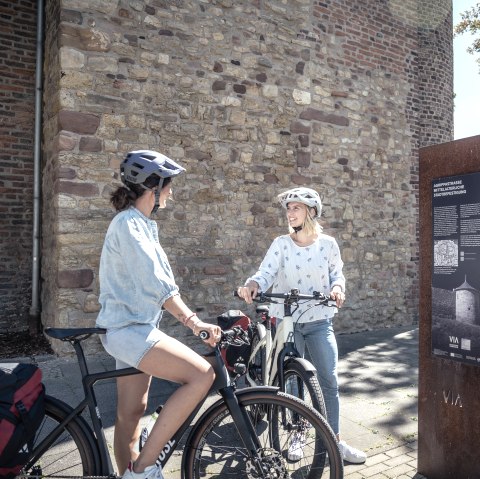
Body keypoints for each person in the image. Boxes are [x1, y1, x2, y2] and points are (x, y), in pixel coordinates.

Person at [96, 150, 222, 479]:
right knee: (201, 375)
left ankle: (127, 474)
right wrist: (195, 323)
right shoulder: (129, 225)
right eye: (168, 186)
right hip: (130, 330)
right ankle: (142, 469)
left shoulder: (138, 224)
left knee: (131, 413)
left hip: (127, 329)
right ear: (152, 187)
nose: (171, 192)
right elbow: (158, 284)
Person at [236, 187, 367, 464]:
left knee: (329, 380)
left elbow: (337, 274)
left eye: (295, 208)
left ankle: (336, 440)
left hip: (319, 320)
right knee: (293, 381)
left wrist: (338, 288)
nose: (290, 213)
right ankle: (297, 432)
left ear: (311, 211)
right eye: (288, 208)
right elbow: (266, 271)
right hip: (289, 321)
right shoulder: (281, 243)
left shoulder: (328, 244)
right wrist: (253, 284)